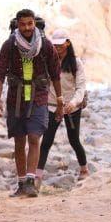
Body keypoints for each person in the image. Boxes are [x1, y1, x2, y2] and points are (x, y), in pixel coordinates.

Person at [0, 8, 65, 198]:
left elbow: (56, 74)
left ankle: (31, 183)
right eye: (23, 24)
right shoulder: (9, 46)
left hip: (39, 96)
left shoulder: (46, 45)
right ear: (17, 24)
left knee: (34, 138)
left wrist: (60, 101)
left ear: (34, 23)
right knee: (19, 141)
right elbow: (0, 73)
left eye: (30, 24)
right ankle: (21, 183)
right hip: (16, 98)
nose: (27, 28)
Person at [36, 29, 88, 186]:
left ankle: (84, 169)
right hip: (52, 106)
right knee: (46, 141)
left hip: (72, 106)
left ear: (67, 43)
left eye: (60, 44)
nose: (57, 47)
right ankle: (38, 176)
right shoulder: (48, 60)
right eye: (55, 45)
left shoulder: (76, 63)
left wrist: (73, 103)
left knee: (74, 139)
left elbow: (81, 87)